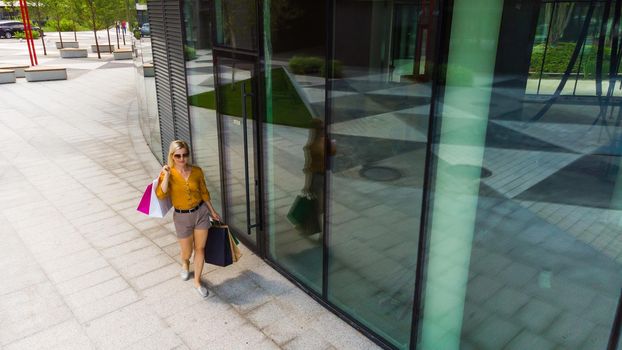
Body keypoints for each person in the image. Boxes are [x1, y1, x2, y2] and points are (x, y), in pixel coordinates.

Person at [156, 140, 221, 298]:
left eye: (185, 155)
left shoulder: (197, 171)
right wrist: (166, 175)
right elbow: (161, 194)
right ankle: (185, 262)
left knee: (200, 249)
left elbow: (204, 193)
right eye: (177, 156)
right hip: (182, 217)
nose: (182, 158)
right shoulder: (167, 173)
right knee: (187, 251)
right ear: (172, 156)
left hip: (200, 213)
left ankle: (197, 281)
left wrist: (212, 211)